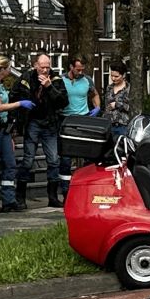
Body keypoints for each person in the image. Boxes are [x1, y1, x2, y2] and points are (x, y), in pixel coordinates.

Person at [17, 52, 68, 208]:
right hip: (32, 121)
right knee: (28, 159)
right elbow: (15, 96)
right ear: (35, 65)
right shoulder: (26, 78)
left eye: (48, 67)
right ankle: (21, 197)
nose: (45, 70)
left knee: (53, 160)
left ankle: (52, 196)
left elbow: (63, 101)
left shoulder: (56, 79)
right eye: (42, 67)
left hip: (49, 123)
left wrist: (49, 87)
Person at [0, 56, 27, 212]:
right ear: (2, 69)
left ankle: (9, 200)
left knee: (10, 164)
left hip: (4, 131)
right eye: (9, 68)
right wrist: (19, 104)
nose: (10, 71)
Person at [56, 57, 100, 203]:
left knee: (88, 157)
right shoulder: (61, 80)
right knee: (66, 159)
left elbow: (94, 94)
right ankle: (66, 192)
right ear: (71, 67)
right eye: (77, 69)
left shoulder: (87, 80)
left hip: (84, 118)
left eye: (82, 69)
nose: (80, 72)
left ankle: (87, 190)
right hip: (66, 120)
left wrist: (97, 107)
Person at [100, 61, 133, 143]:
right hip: (107, 126)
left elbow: (131, 108)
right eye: (111, 76)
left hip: (122, 127)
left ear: (123, 75)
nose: (113, 78)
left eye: (116, 76)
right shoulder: (109, 88)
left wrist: (117, 105)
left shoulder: (130, 89)